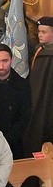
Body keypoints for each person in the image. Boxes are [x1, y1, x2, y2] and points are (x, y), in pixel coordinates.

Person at [24, 16, 53, 156]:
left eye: (44, 32)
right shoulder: (40, 50)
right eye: (39, 32)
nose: (40, 35)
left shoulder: (49, 54)